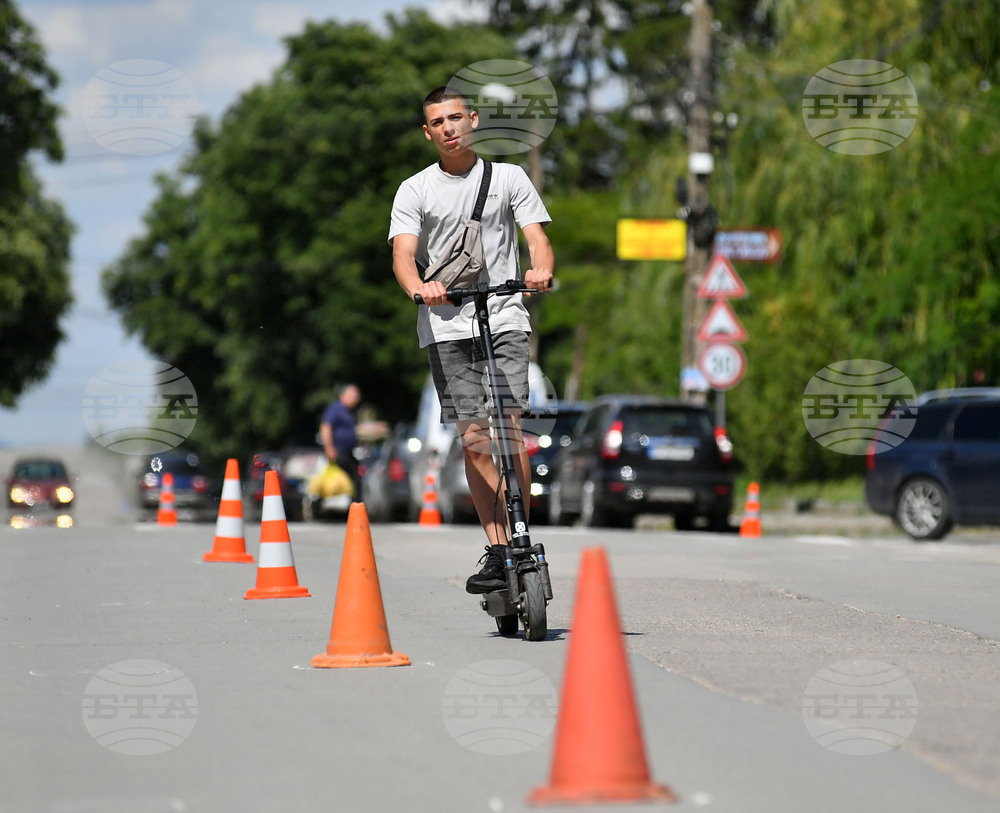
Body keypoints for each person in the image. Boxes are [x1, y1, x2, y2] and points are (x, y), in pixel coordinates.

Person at [388, 86, 554, 594]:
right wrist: (420, 288)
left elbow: (537, 238)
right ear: (428, 132)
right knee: (475, 438)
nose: (449, 128)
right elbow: (403, 255)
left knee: (509, 425)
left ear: (474, 120)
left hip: (504, 316)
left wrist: (539, 270)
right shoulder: (414, 190)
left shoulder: (509, 178)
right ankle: (499, 546)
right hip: (446, 325)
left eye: (456, 118)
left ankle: (521, 532)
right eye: (438, 122)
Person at [320, 384, 362, 498]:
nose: (357, 399)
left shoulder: (350, 411)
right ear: (343, 395)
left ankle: (354, 504)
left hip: (348, 452)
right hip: (338, 452)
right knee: (345, 480)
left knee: (356, 478)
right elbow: (326, 427)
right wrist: (328, 447)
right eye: (354, 396)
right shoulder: (336, 409)